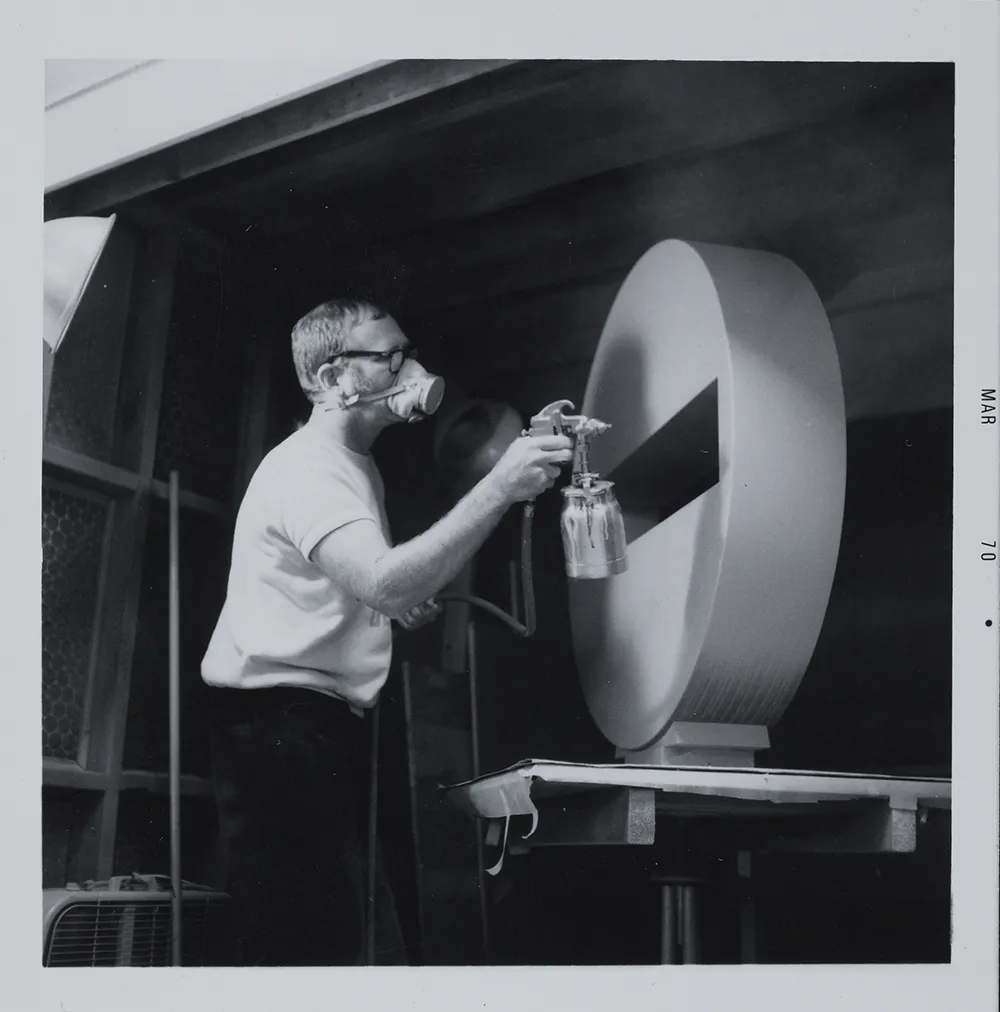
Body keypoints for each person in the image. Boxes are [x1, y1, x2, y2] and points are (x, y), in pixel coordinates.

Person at [201, 297, 573, 966]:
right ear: (330, 379)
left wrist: (386, 606)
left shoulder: (354, 461)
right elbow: (382, 578)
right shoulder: (310, 471)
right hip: (278, 730)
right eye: (389, 357)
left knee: (339, 936)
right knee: (312, 948)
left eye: (407, 350)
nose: (412, 368)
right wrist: (499, 485)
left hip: (313, 725)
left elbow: (357, 584)